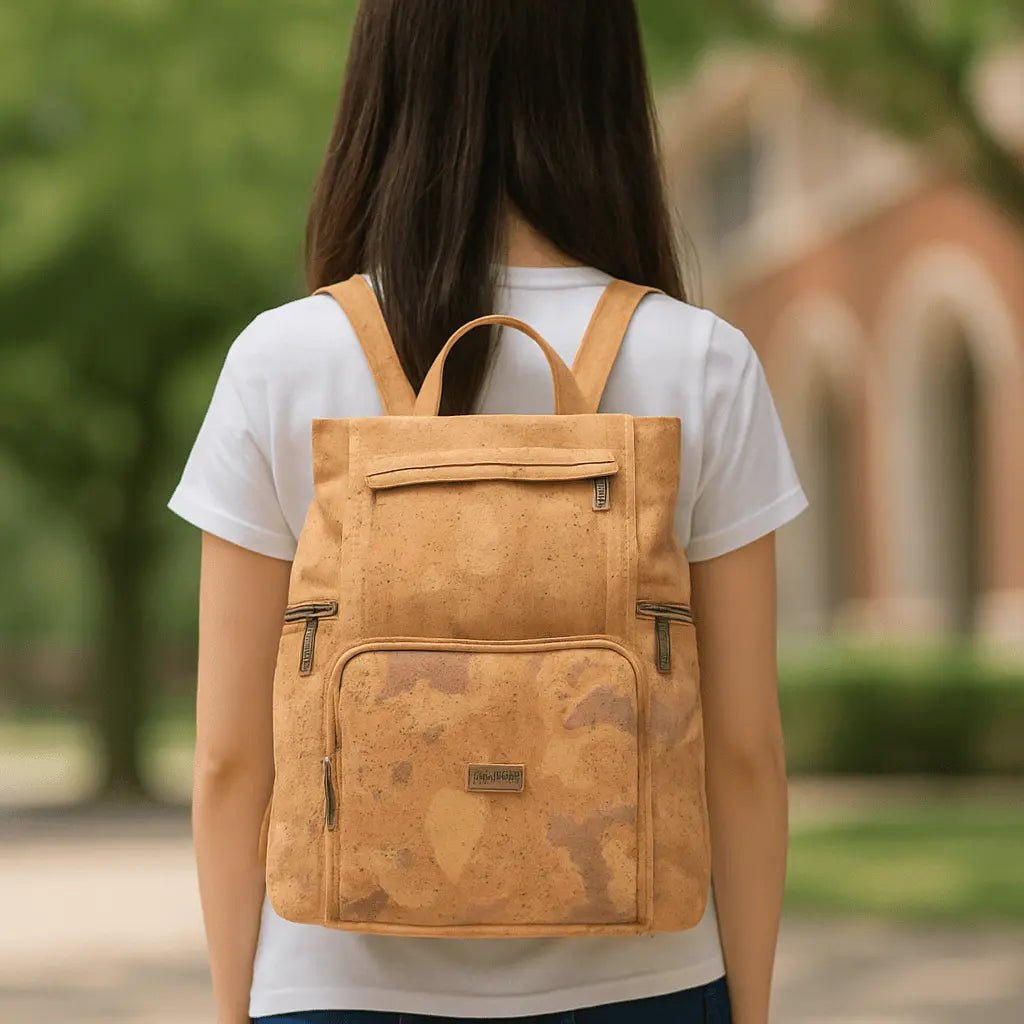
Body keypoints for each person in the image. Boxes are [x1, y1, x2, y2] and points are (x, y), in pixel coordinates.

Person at [167, 2, 808, 1022]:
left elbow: (231, 757)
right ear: (605, 84)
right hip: (643, 977)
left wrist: (233, 1004)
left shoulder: (280, 362)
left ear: (385, 88)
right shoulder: (702, 362)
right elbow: (744, 751)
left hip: (335, 985)